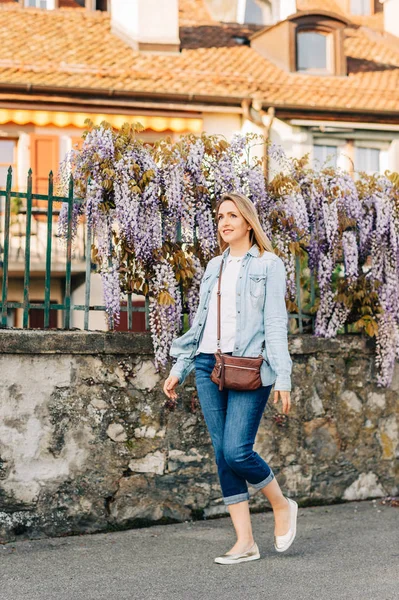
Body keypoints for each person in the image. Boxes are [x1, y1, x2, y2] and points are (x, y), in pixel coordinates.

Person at [163, 192, 297, 565]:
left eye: (233, 216)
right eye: (220, 216)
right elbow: (200, 324)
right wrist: (180, 368)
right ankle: (245, 542)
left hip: (250, 366)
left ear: (248, 222)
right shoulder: (212, 266)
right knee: (223, 454)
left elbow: (274, 323)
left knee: (237, 450)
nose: (225, 222)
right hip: (208, 365)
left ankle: (281, 504)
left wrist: (282, 375)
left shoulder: (269, 264)